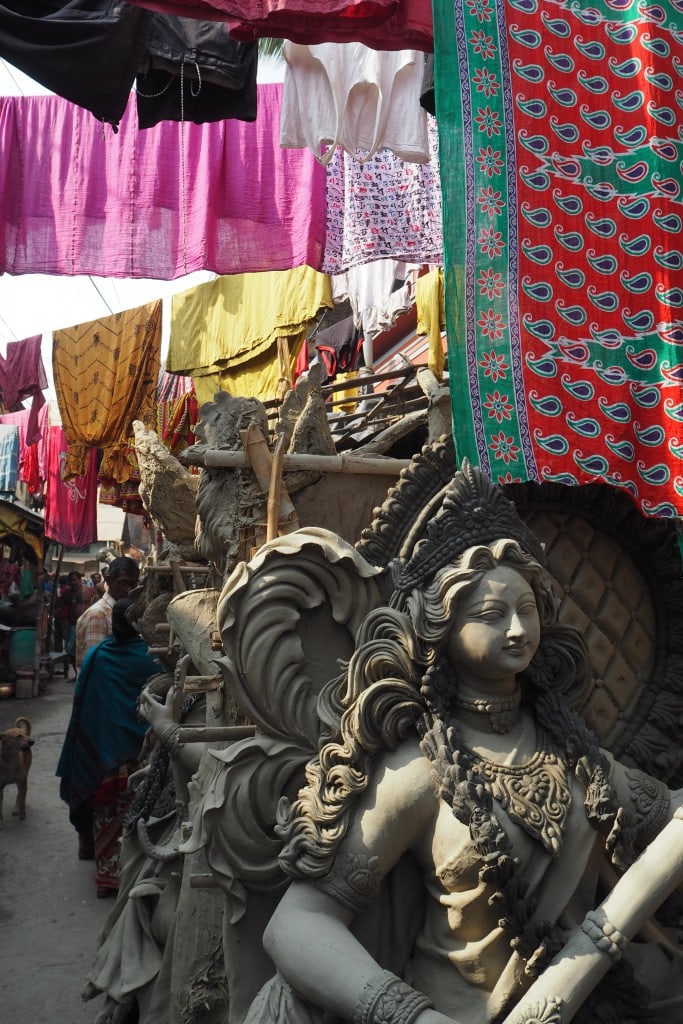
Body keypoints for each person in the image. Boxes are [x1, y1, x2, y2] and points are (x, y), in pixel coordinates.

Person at [252, 462, 683, 1024]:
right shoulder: (418, 773)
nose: (517, 630)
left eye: (527, 609)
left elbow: (667, 814)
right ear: (441, 626)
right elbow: (297, 923)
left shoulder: (576, 755)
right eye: (492, 613)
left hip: (597, 1001)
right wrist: (408, 1016)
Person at [56, 597, 161, 897]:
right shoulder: (150, 657)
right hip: (140, 758)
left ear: (114, 624)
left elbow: (83, 709)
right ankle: (133, 877)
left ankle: (107, 878)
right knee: (139, 815)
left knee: (105, 814)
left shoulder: (97, 656)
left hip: (102, 756)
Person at [75, 557, 140, 672]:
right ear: (109, 581)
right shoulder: (97, 615)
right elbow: (95, 664)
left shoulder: (128, 610)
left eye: (133, 584)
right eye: (123, 583)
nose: (129, 589)